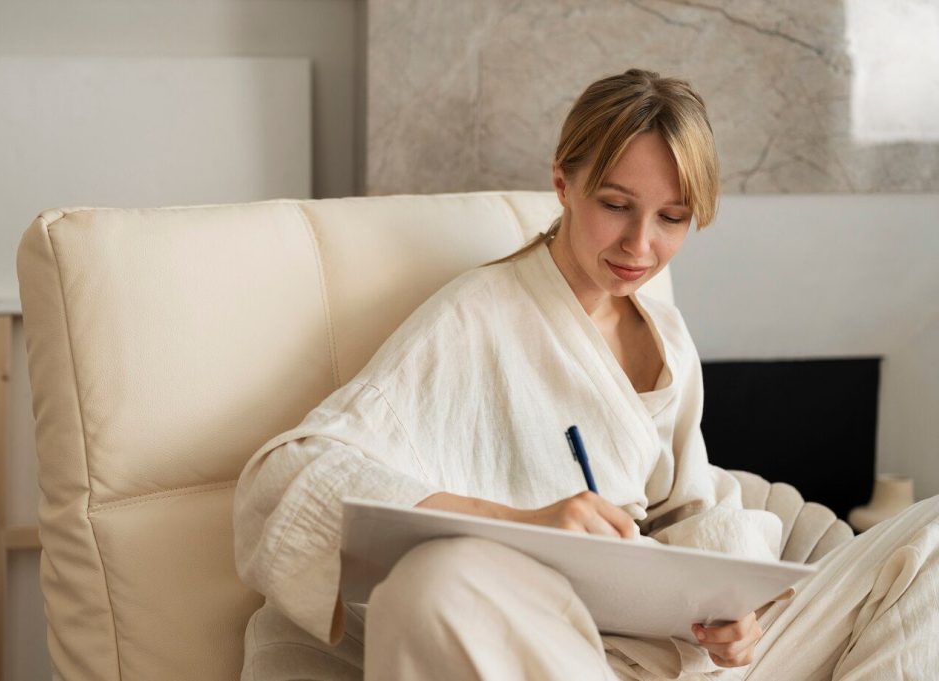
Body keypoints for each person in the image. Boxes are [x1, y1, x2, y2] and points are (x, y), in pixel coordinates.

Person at [233, 68, 939, 680]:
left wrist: (732, 614)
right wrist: (524, 521)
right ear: (562, 181)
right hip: (554, 650)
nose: (641, 245)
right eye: (615, 205)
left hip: (679, 655)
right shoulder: (477, 318)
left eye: (673, 216)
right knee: (441, 584)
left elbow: (686, 512)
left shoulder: (664, 334)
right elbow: (290, 481)